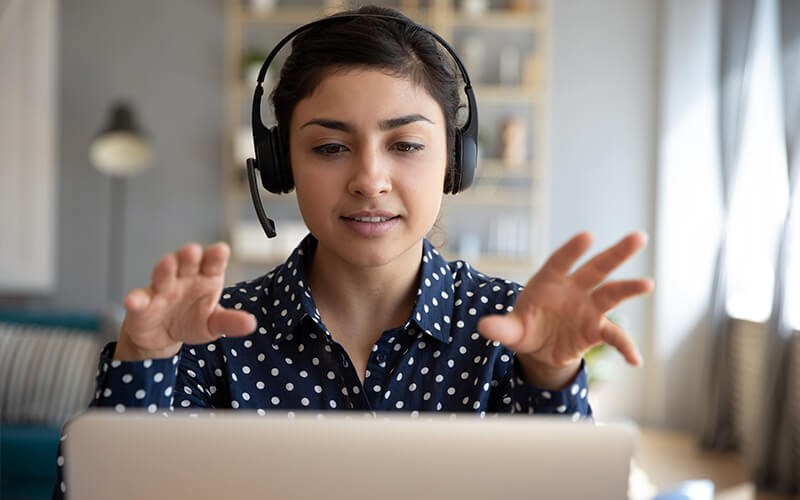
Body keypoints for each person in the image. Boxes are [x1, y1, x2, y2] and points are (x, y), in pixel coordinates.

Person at [53, 5, 653, 498]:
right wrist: (144, 360)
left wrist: (549, 379)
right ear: (281, 164)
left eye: (406, 145)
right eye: (331, 147)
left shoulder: (511, 333)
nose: (370, 179)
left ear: (455, 162)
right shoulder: (211, 337)